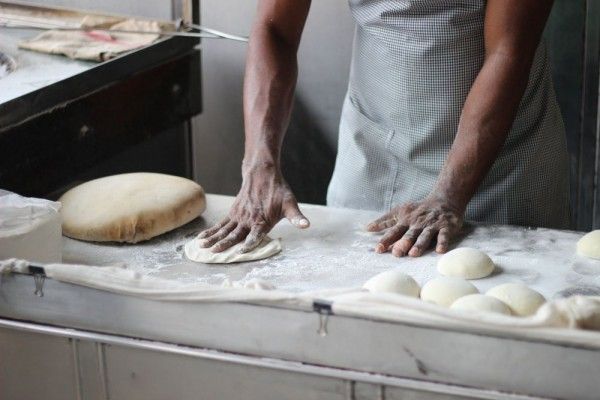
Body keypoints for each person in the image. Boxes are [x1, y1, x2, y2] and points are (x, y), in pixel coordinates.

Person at [198, 0, 569, 258]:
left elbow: (509, 51)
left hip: (498, 167)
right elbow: (275, 29)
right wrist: (259, 163)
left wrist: (449, 194)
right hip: (374, 153)